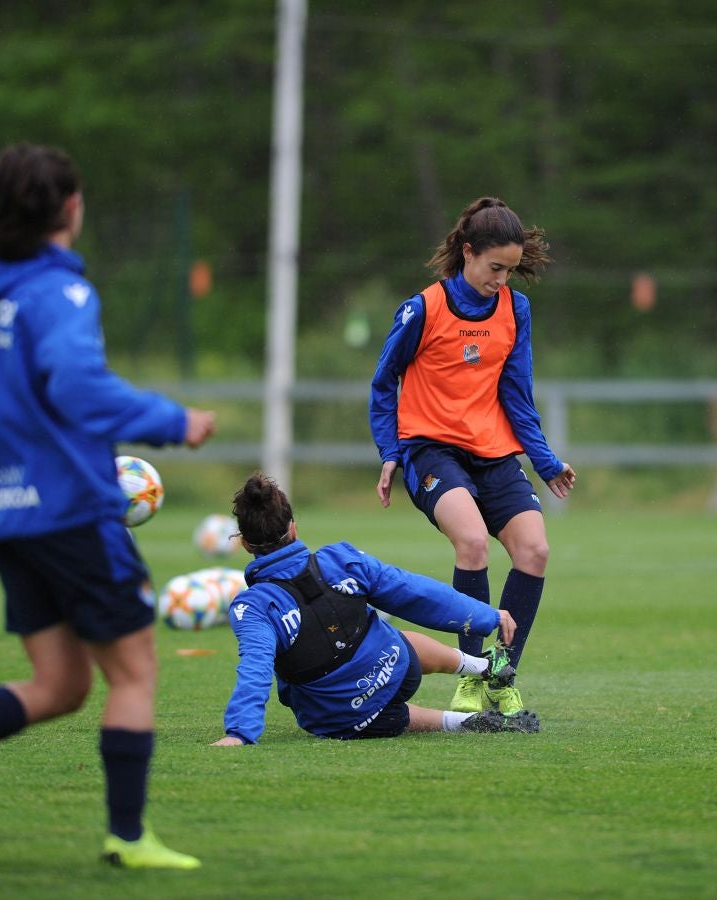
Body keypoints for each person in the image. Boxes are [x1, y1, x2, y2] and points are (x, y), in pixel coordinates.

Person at [0, 144, 216, 870]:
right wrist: (172, 420)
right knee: (133, 673)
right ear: (69, 209)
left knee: (60, 685)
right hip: (70, 512)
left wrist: (17, 458)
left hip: (8, 517)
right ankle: (128, 840)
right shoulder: (59, 294)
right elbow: (77, 387)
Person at [368, 197, 576, 715]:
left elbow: (517, 395)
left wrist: (545, 461)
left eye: (510, 270)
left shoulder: (514, 310)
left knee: (534, 551)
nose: (502, 279)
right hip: (430, 450)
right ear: (467, 252)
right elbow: (382, 383)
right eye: (495, 268)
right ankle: (471, 673)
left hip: (493, 453)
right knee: (472, 540)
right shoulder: (424, 308)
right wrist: (390, 451)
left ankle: (502, 676)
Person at [210, 473, 540, 745]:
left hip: (338, 717)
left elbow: (255, 667)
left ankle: (461, 721)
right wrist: (486, 615)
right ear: (294, 528)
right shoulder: (340, 559)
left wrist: (239, 733)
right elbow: (414, 593)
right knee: (391, 638)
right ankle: (482, 667)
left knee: (369, 714)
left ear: (245, 544)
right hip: (397, 670)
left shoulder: (252, 606)